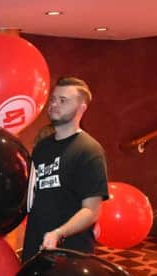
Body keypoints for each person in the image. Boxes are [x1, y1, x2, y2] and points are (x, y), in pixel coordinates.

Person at [22, 77, 108, 262]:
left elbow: (91, 211)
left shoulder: (89, 150)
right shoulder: (41, 147)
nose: (54, 104)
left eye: (63, 100)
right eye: (53, 99)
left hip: (71, 251)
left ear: (82, 108)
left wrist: (59, 233)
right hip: (36, 246)